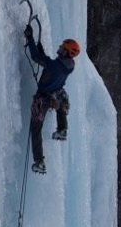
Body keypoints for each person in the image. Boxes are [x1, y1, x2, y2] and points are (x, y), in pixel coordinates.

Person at [24, 24, 80, 174]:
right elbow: (47, 63)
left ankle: (39, 161)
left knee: (36, 128)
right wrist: (41, 50)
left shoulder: (54, 65)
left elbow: (38, 58)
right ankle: (62, 129)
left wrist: (30, 38)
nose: (60, 48)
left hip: (43, 98)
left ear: (67, 52)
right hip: (57, 96)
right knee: (63, 101)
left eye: (63, 48)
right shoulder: (70, 66)